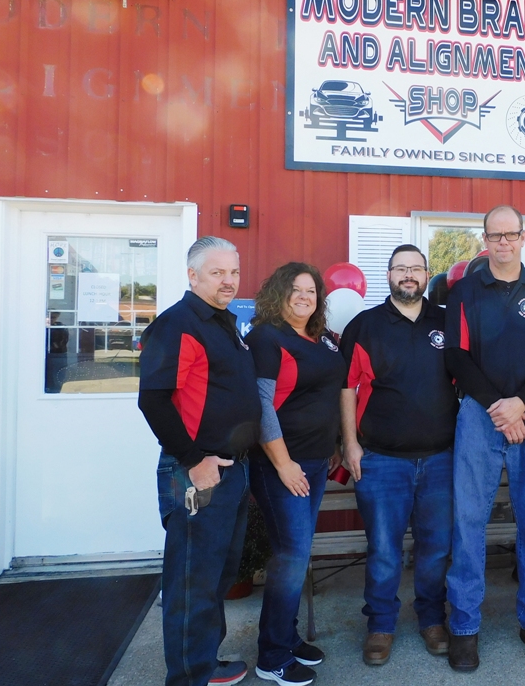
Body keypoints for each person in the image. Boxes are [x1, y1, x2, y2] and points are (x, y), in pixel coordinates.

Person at [443, 205, 525, 670]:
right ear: (485, 239)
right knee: (468, 522)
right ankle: (464, 627)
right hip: (479, 414)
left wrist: (520, 403)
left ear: (522, 237)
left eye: (510, 235)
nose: (503, 243)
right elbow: (456, 356)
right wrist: (499, 405)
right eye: (494, 236)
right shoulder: (464, 292)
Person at [138, 236, 261, 686]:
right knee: (192, 582)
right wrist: (194, 461)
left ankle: (204, 664)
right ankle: (189, 676)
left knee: (215, 577)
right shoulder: (178, 324)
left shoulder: (223, 324)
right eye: (217, 272)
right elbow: (153, 400)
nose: (228, 280)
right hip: (198, 474)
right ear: (193, 276)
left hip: (229, 470)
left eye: (234, 272)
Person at [339, 244, 458, 665]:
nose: (409, 275)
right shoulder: (365, 326)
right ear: (388, 274)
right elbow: (346, 388)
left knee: (436, 548)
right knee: (384, 549)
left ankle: (432, 618)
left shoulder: (447, 322)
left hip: (441, 458)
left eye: (416, 268)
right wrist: (350, 443)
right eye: (400, 268)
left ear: (426, 275)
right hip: (382, 459)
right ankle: (381, 624)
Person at [247, 263, 347, 686]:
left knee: (297, 555)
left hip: (316, 461)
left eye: (311, 291)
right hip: (282, 465)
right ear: (279, 293)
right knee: (291, 557)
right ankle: (272, 655)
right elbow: (261, 406)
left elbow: (326, 394)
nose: (305, 297)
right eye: (296, 289)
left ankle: (285, 637)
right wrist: (284, 463)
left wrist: (334, 444)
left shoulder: (320, 338)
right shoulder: (267, 338)